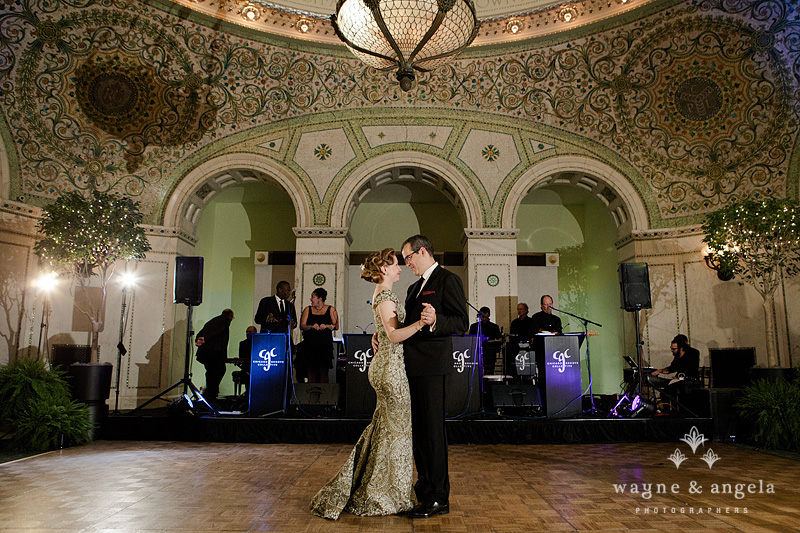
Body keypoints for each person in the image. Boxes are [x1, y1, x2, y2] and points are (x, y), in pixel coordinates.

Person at [310, 248, 434, 519]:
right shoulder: (386, 295)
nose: (400, 267)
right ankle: (382, 494)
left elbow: (383, 332)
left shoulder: (383, 294)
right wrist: (420, 325)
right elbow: (392, 335)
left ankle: (385, 490)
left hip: (388, 367)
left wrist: (379, 335)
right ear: (383, 270)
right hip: (390, 370)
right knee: (396, 433)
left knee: (388, 432)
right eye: (395, 264)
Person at [400, 235, 468, 519]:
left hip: (434, 369)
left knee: (433, 434)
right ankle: (425, 492)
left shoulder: (447, 279)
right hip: (413, 368)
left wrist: (436, 320)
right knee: (419, 434)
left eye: (408, 258)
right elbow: (407, 326)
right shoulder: (414, 287)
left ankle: (440, 497)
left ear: (423, 251)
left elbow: (462, 323)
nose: (406, 264)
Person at [296, 288, 339, 383]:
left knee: (324, 372)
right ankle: (311, 395)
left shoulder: (331, 309)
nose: (311, 299)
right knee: (311, 371)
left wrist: (327, 326)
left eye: (313, 297)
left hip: (324, 345)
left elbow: (336, 326)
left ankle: (324, 395)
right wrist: (311, 326)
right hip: (310, 345)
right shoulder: (307, 309)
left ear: (320, 298)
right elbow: (302, 326)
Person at [194, 308, 234, 404]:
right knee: (219, 371)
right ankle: (210, 395)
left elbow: (201, 332)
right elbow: (218, 332)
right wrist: (206, 339)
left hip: (205, 354)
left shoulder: (212, 321)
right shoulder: (225, 321)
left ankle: (210, 395)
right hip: (214, 353)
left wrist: (198, 339)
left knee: (211, 372)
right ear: (230, 316)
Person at [468, 306, 503, 375]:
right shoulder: (474, 326)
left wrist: (499, 339)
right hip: (477, 350)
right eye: (482, 316)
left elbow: (499, 337)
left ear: (489, 315)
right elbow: (471, 338)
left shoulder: (494, 327)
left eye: (485, 316)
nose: (484, 318)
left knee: (489, 368)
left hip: (490, 350)